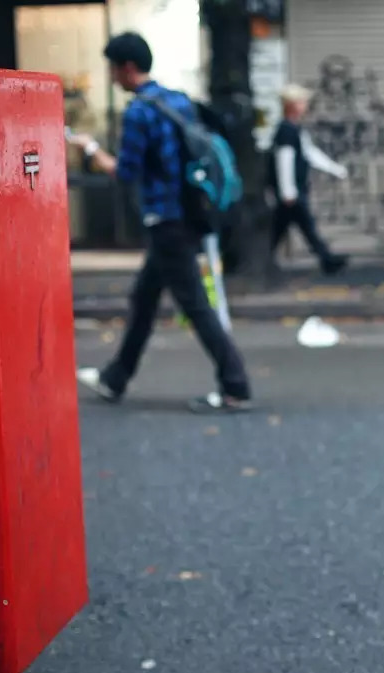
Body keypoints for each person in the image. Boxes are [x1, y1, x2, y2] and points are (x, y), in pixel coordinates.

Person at [67, 32, 252, 414]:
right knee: (145, 299)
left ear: (127, 68)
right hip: (189, 213)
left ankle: (236, 384)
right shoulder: (177, 100)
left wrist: (90, 150)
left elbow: (126, 171)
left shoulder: (139, 113)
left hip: (166, 219)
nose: (114, 78)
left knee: (195, 306)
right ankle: (115, 378)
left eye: (114, 69)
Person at [267, 84, 350, 282]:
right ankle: (327, 260)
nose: (305, 106)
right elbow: (284, 161)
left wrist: (334, 169)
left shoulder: (294, 129)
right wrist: (287, 191)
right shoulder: (286, 130)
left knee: (284, 229)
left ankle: (326, 259)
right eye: (302, 102)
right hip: (291, 192)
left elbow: (310, 153)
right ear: (292, 105)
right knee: (304, 227)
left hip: (293, 191)